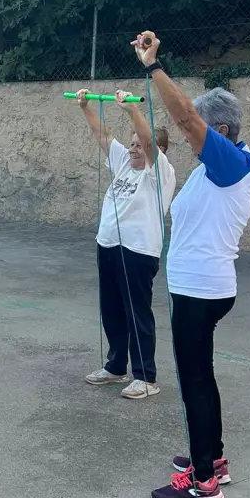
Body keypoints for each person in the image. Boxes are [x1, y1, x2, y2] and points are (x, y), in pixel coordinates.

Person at [129, 31, 250, 498]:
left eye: (200, 129)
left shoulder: (229, 162)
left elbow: (183, 115)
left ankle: (203, 482)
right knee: (200, 375)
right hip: (199, 287)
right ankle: (213, 458)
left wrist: (152, 67)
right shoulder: (215, 167)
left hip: (201, 290)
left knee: (194, 381)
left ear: (219, 131)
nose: (189, 135)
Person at [77, 89, 176, 400]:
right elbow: (103, 136)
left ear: (157, 149)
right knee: (112, 310)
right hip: (108, 244)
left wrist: (132, 110)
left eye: (139, 145)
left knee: (137, 313)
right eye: (131, 143)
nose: (134, 149)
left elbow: (148, 143)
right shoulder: (123, 162)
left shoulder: (159, 171)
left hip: (138, 250)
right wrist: (85, 107)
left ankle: (146, 377)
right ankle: (116, 366)